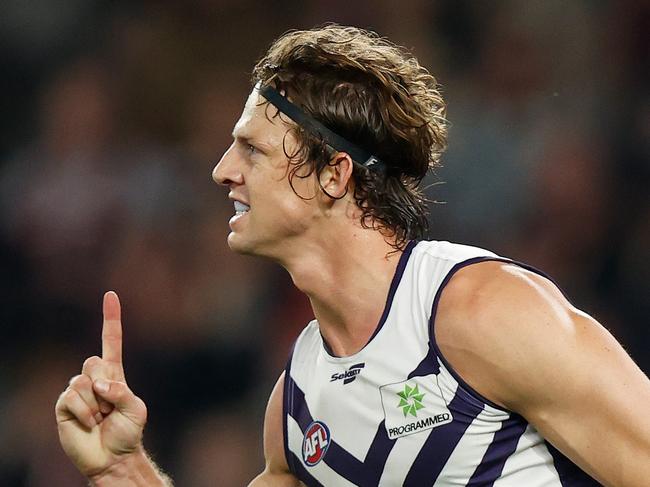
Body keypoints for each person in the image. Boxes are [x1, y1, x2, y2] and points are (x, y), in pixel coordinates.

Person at [55, 25, 650, 486]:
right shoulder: (295, 408)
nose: (221, 171)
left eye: (252, 151)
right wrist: (122, 470)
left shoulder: (483, 311)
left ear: (335, 174)